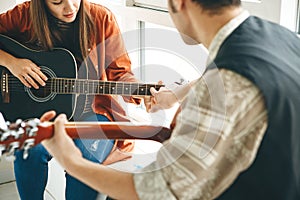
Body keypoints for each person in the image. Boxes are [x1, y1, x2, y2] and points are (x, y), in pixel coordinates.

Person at [42, 0, 300, 199]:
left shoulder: (227, 83)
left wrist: (70, 160)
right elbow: (232, 77)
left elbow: (157, 192)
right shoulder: (278, 36)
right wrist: (175, 95)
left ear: (180, 3)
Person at [0, 0, 146, 199]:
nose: (69, 8)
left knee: (87, 155)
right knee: (28, 149)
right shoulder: (22, 15)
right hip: (40, 113)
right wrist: (11, 62)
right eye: (57, 2)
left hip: (93, 111)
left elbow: (120, 73)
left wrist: (139, 89)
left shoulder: (101, 18)